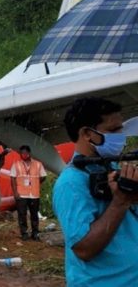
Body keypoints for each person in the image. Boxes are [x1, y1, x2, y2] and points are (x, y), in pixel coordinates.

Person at [53, 97, 138, 286]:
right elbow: (84, 249)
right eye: (113, 130)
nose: (121, 135)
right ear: (87, 134)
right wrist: (120, 202)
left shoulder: (111, 167)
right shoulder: (71, 183)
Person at [10, 144, 46, 240]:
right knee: (22, 214)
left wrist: (35, 183)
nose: (24, 155)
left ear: (29, 153)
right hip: (21, 194)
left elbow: (43, 176)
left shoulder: (38, 164)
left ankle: (35, 233)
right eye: (22, 153)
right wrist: (15, 193)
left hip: (34, 194)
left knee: (34, 214)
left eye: (25, 153)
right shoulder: (16, 164)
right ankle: (24, 233)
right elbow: (12, 178)